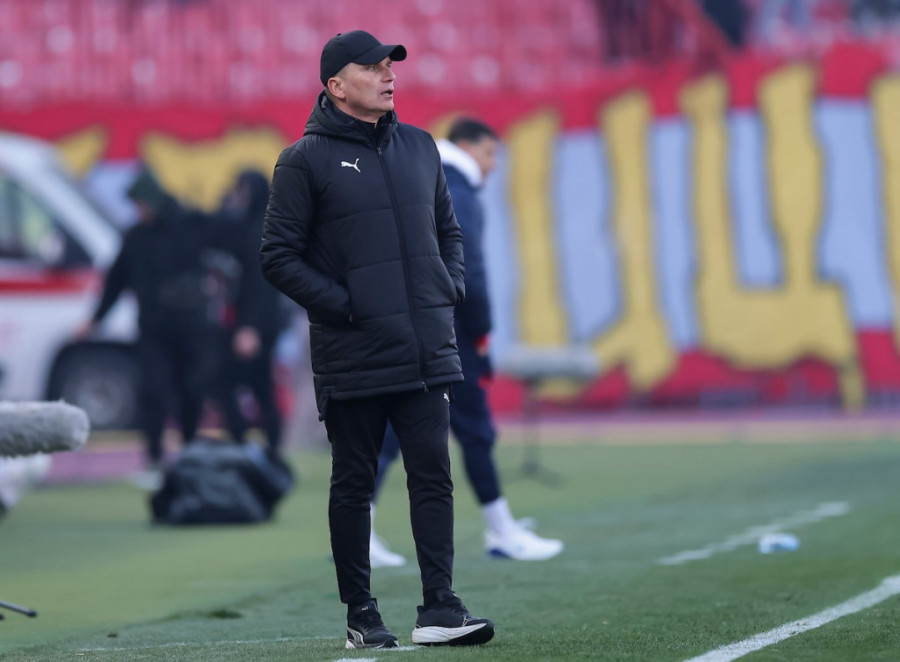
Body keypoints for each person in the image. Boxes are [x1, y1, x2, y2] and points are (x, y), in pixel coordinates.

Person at [259, 30, 494, 650]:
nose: (388, 75)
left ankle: (440, 607)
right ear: (336, 85)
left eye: (390, 65)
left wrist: (448, 288)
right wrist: (349, 307)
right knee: (354, 484)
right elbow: (277, 257)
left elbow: (449, 232)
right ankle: (361, 615)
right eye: (372, 67)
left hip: (426, 347)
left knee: (433, 476)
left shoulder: (420, 146)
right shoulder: (303, 160)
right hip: (354, 351)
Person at [368, 119, 564, 568]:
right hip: (447, 330)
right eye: (490, 153)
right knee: (473, 429)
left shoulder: (415, 178)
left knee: (394, 429)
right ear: (467, 147)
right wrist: (480, 331)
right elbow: (468, 269)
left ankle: (360, 532)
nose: (492, 166)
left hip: (406, 324)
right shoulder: (455, 187)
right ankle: (502, 531)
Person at [78, 168, 216, 490]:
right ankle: (154, 459)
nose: (137, 210)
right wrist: (95, 320)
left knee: (190, 392)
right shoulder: (135, 237)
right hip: (153, 331)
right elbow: (115, 282)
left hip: (191, 330)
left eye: (140, 204)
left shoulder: (191, 226)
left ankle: (189, 455)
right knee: (153, 391)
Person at [213, 170, 287, 456]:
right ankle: (261, 447)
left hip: (256, 325)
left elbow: (262, 285)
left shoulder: (262, 230)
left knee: (249, 385)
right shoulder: (244, 226)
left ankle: (258, 446)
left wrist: (250, 328)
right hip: (245, 322)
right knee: (252, 386)